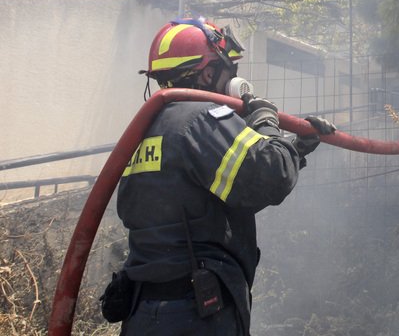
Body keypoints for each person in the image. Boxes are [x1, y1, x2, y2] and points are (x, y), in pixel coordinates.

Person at [108, 18, 335, 335]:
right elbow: (271, 176)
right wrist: (265, 118)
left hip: (145, 312)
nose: (236, 80)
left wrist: (296, 149)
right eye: (230, 70)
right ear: (210, 73)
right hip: (195, 314)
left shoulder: (148, 130)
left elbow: (216, 201)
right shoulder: (203, 118)